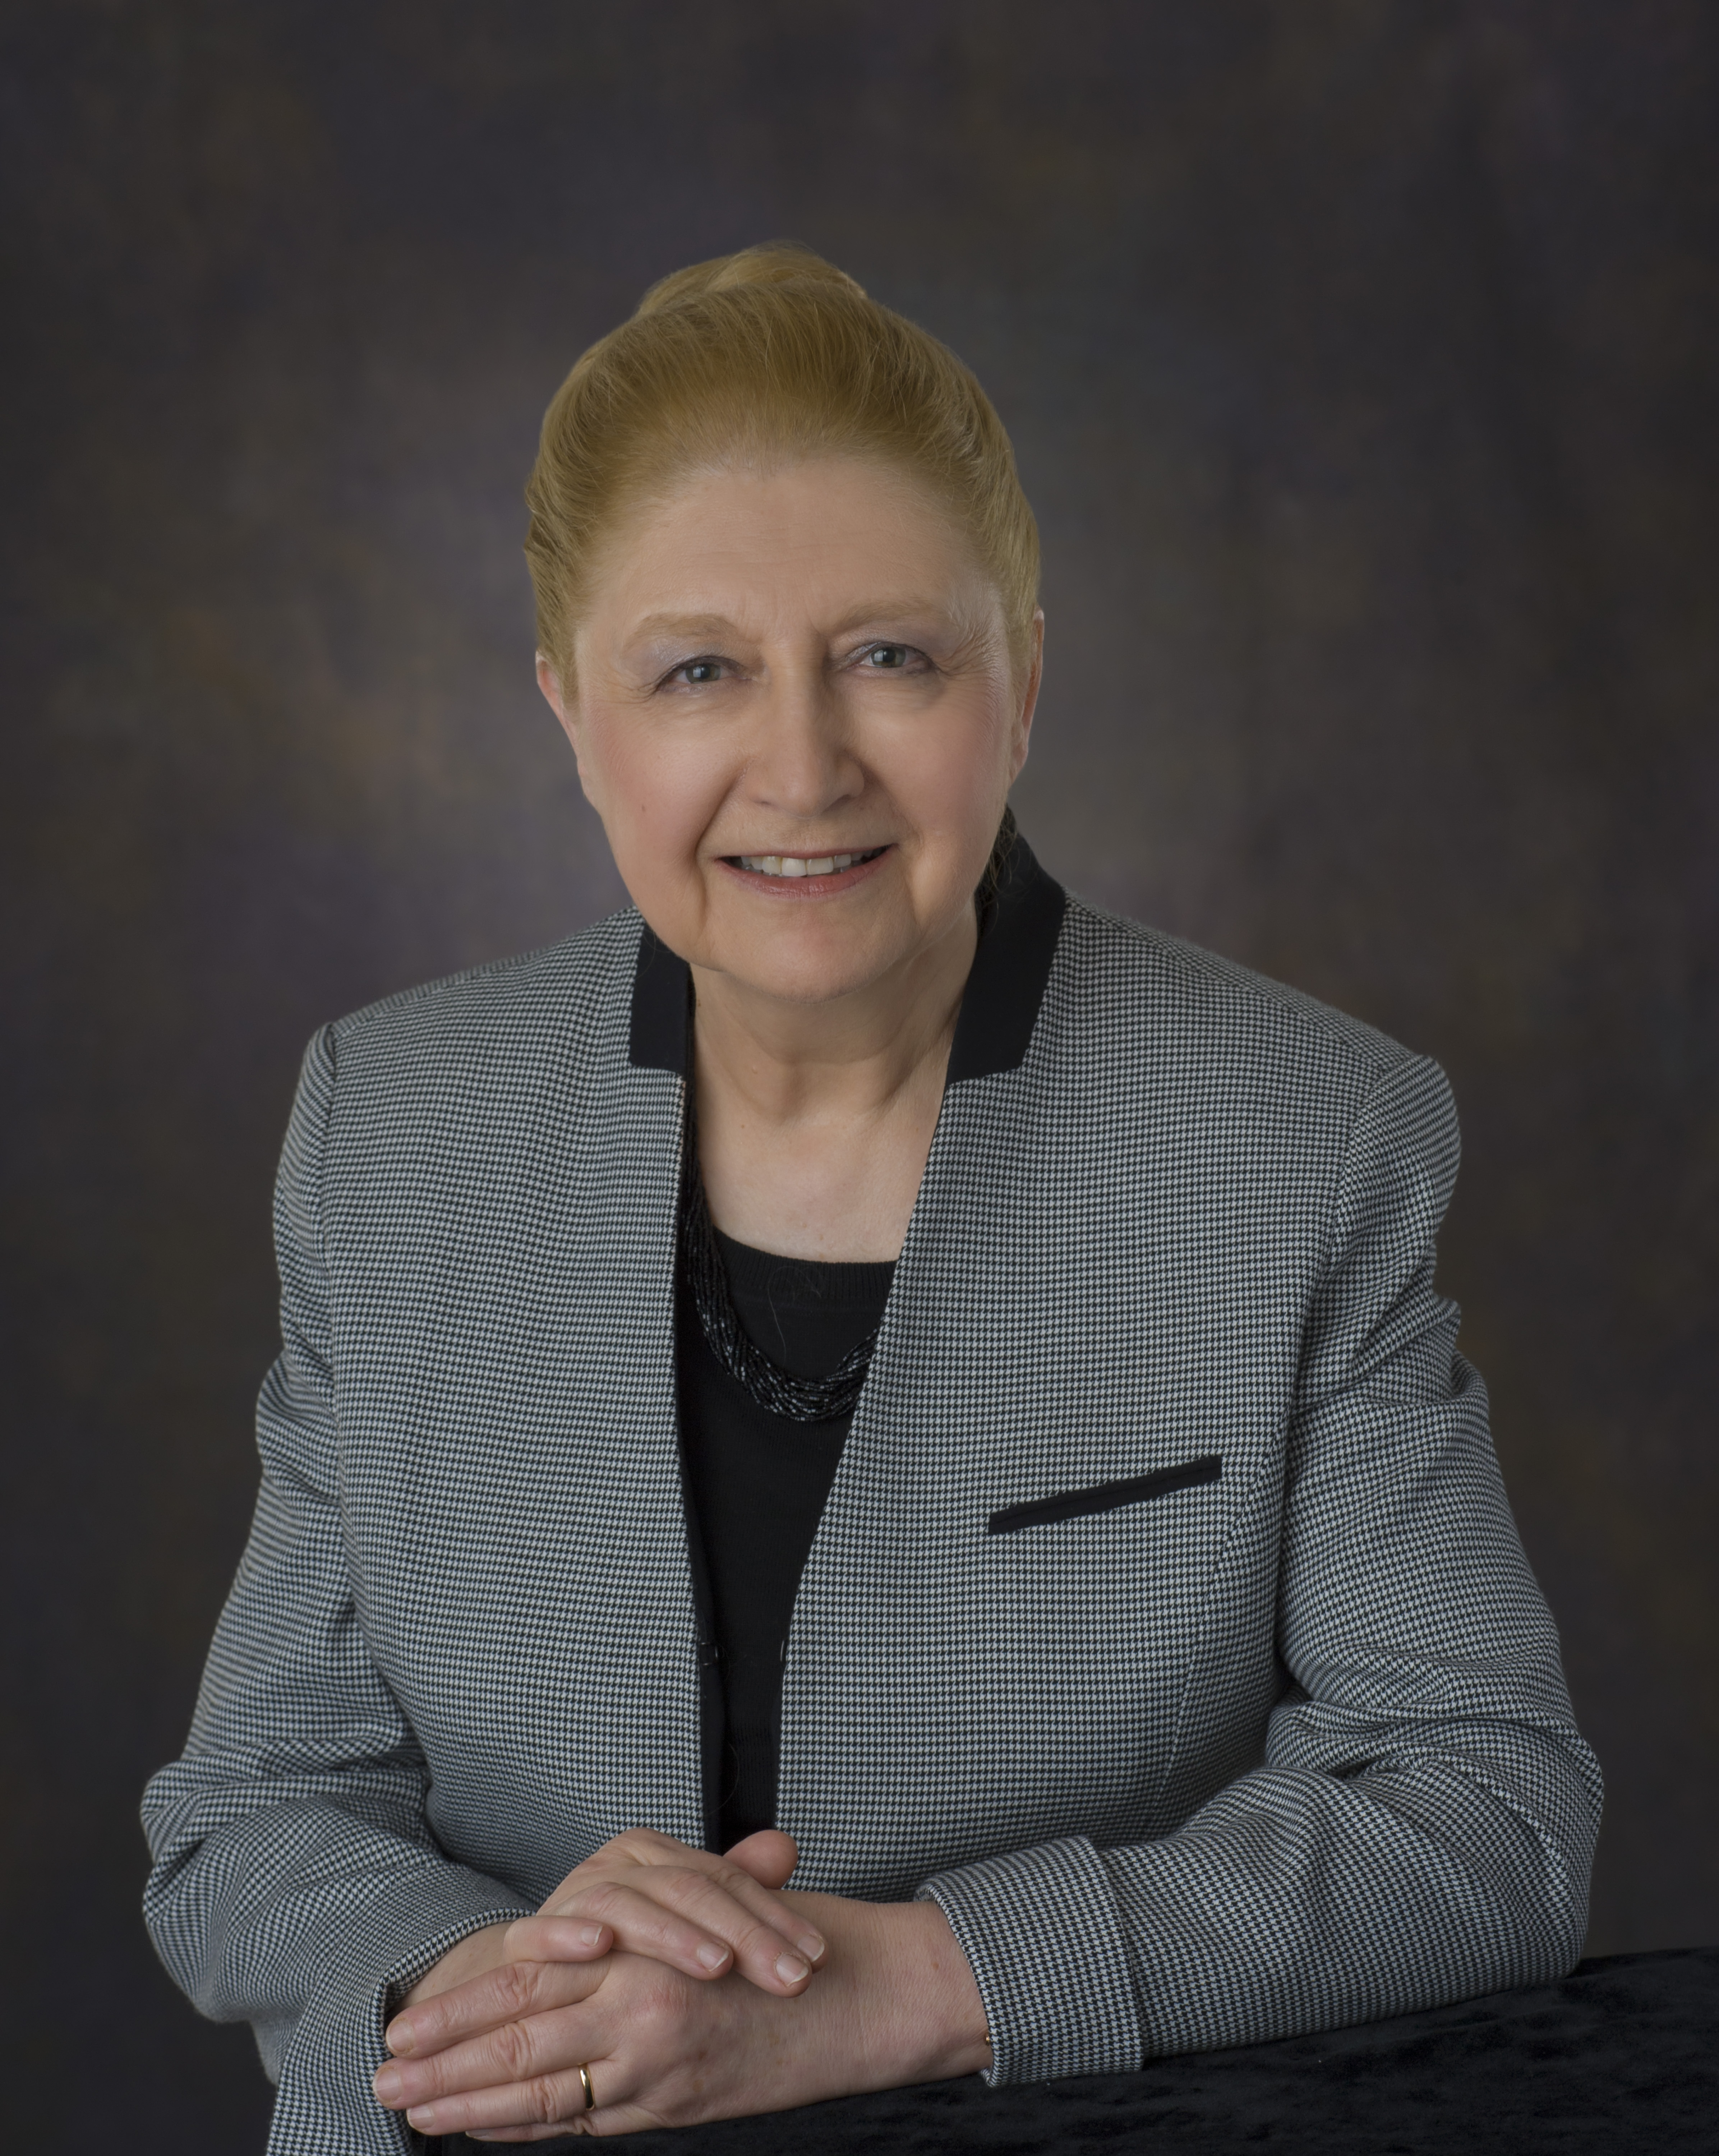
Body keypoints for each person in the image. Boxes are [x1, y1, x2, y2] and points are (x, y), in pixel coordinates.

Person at [141, 244, 1602, 2151]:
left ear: (1024, 683)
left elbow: (1485, 1812)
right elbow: (256, 1813)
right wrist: (521, 2003)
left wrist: (908, 1988)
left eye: (892, 657)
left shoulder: (1305, 1133)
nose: (805, 766)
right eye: (699, 672)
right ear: (572, 713)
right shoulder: (392, 1124)